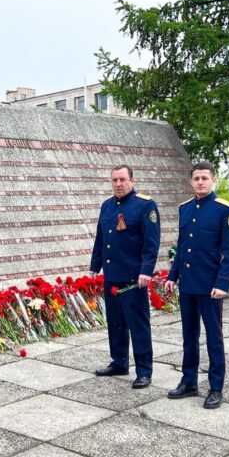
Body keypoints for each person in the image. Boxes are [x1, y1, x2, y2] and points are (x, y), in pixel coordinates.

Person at [164, 161, 229, 409]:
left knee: (214, 338)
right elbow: (182, 246)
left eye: (204, 178)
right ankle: (189, 381)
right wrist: (172, 276)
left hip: (210, 287)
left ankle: (216, 387)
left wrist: (222, 283)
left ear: (213, 180)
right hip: (188, 285)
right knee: (189, 336)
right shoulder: (185, 208)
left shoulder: (224, 210)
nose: (200, 182)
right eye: (196, 178)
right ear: (190, 181)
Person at [89, 165, 161, 389]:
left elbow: (152, 242)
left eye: (122, 179)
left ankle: (144, 371)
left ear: (132, 179)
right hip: (112, 275)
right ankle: (119, 362)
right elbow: (101, 239)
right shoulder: (107, 206)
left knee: (138, 325)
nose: (118, 184)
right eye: (114, 180)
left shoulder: (145, 205)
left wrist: (146, 271)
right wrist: (95, 265)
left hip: (133, 277)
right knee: (116, 323)